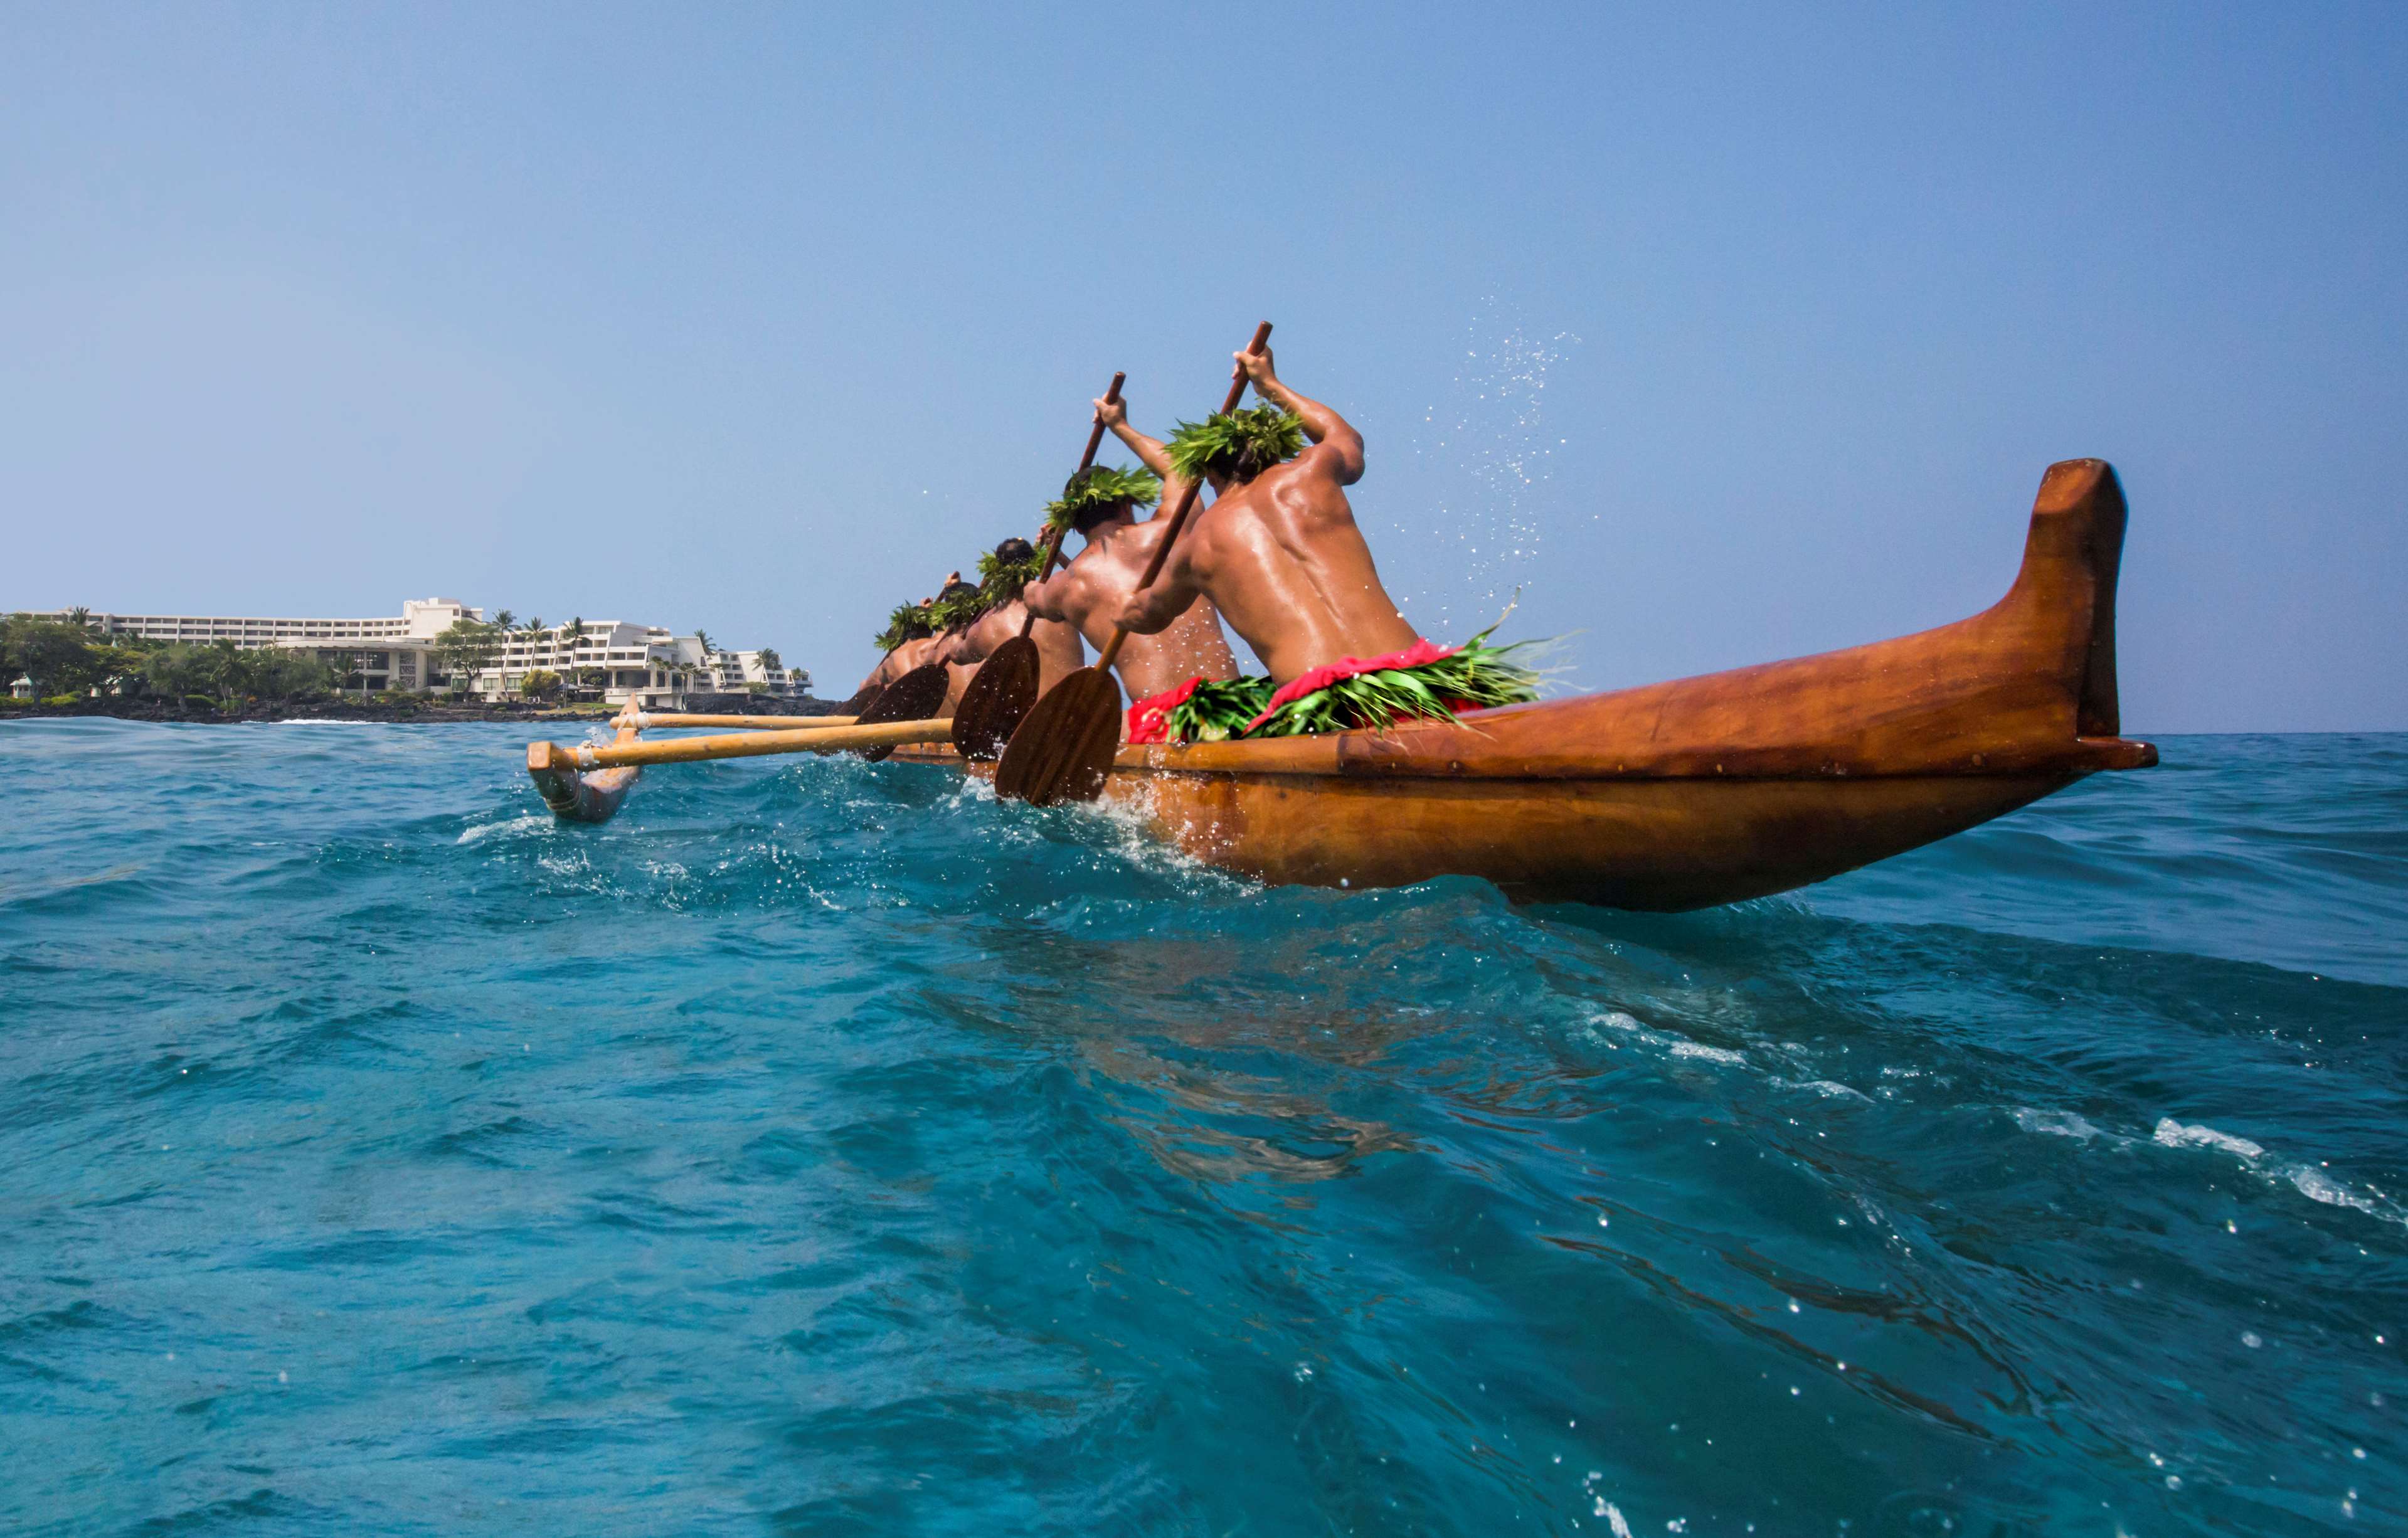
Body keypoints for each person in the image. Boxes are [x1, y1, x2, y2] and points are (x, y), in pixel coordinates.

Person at [1103, 346, 1535, 741]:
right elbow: (1344, 438)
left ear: (1210, 476)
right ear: (1275, 447)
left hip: (1323, 713)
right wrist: (1270, 384)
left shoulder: (1196, 547)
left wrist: (1126, 606)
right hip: (1421, 684)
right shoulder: (1313, 471)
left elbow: (1146, 615)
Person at [1017, 452, 1243, 741]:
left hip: (1163, 726)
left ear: (1073, 526)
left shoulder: (1066, 587)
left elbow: (1032, 598)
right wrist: (1120, 425)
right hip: (1234, 703)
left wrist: (1049, 557)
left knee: (1099, 729)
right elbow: (1180, 469)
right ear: (1126, 504)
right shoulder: (1172, 532)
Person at [942, 536, 1086, 711]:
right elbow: (1087, 586)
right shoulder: (1057, 599)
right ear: (1036, 564)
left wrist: (954, 640)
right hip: (1082, 714)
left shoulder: (987, 627)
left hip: (1034, 728)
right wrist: (1058, 555)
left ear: (996, 573)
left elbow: (958, 655)